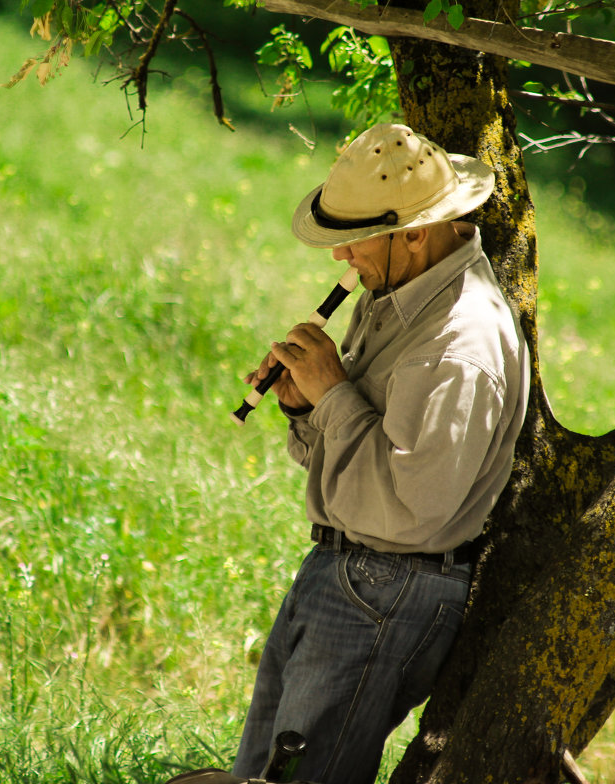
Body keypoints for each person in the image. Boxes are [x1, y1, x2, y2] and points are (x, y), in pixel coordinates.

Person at [232, 123, 530, 784]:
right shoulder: (395, 294)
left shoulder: (459, 342)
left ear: (415, 233)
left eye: (353, 241)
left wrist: (333, 393)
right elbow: (344, 464)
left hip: (388, 589)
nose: (341, 260)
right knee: (260, 772)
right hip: (350, 572)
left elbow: (410, 512)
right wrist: (304, 402)